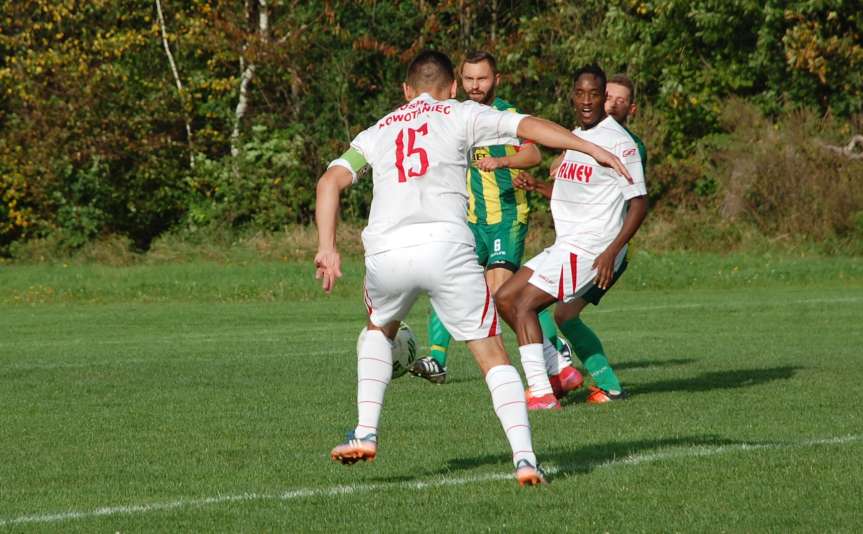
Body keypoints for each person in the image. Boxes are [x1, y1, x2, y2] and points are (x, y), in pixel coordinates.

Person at [315, 51, 631, 485]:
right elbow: (527, 127)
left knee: (378, 328)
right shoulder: (460, 113)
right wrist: (588, 145)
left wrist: (327, 247)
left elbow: (329, 181)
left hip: (387, 251)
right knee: (490, 352)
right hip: (447, 248)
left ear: (406, 92)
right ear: (450, 88)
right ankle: (524, 459)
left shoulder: (378, 129)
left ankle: (366, 432)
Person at [411, 51, 582, 404]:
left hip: (505, 217)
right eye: (470, 79)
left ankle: (550, 356)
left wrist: (503, 160)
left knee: (501, 294)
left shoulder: (505, 114)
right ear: (459, 80)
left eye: (483, 79)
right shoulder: (457, 115)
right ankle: (438, 360)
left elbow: (534, 155)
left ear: (496, 80)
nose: (476, 86)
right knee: (447, 280)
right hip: (471, 222)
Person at [497, 64, 647, 409]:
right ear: (571, 95)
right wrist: (538, 186)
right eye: (580, 93)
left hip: (592, 247)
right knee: (505, 298)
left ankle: (541, 393)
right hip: (566, 243)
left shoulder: (620, 143)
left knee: (525, 306)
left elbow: (639, 204)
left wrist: (612, 252)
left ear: (603, 99)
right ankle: (560, 372)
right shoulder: (576, 137)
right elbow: (579, 194)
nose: (587, 100)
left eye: (594, 94)